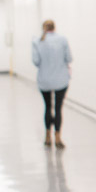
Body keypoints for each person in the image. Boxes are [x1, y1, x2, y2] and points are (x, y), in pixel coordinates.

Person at [30, 19, 72, 148]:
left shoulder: (37, 42)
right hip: (61, 80)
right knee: (58, 108)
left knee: (48, 107)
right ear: (54, 27)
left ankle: (47, 136)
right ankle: (58, 136)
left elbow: (36, 61)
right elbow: (69, 58)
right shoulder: (63, 39)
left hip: (45, 81)